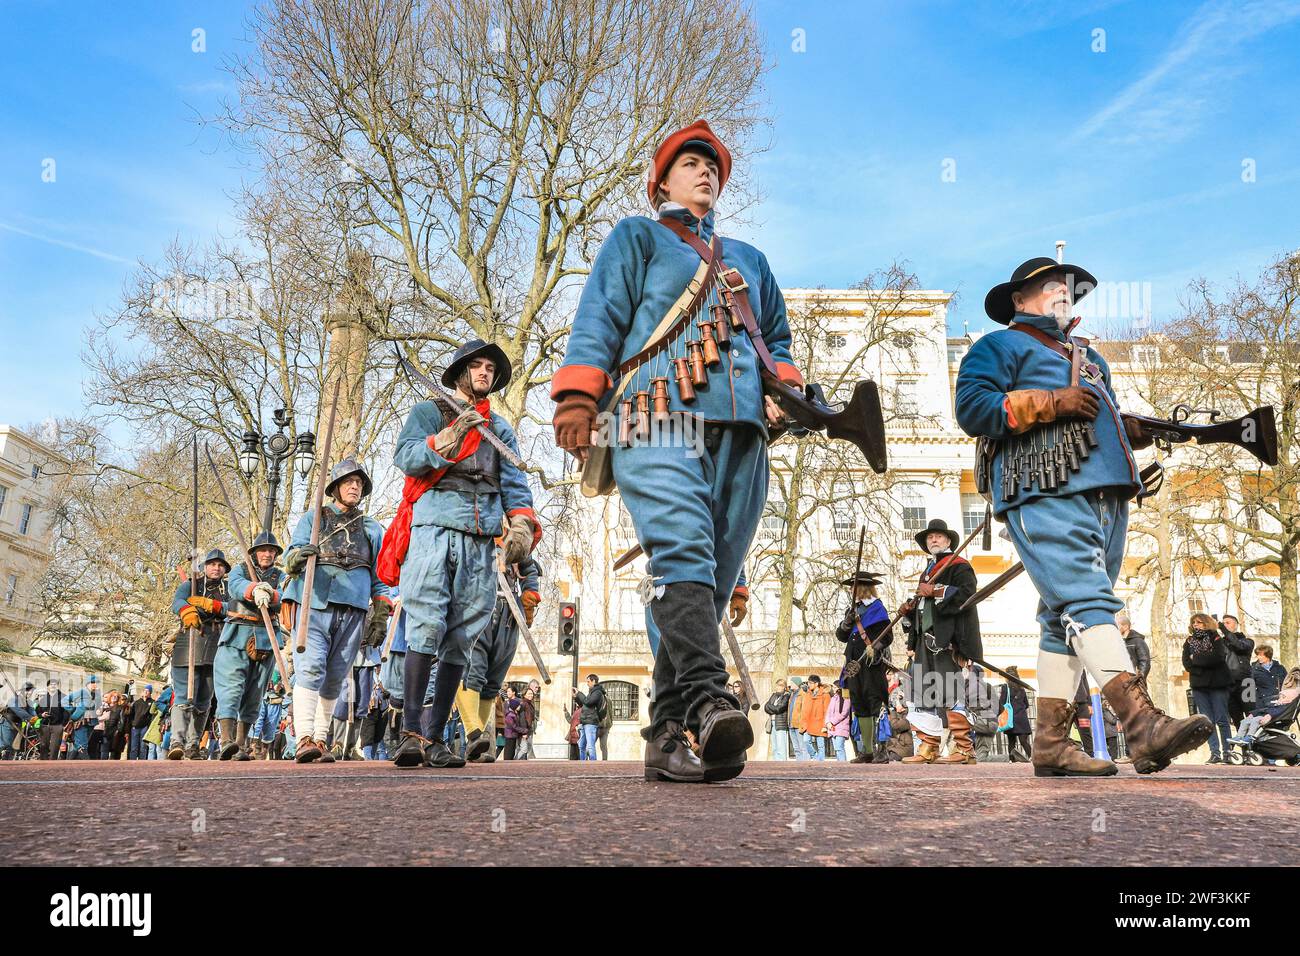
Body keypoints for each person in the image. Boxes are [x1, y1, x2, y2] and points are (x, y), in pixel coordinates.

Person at [551, 120, 804, 784]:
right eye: (690, 163)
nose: (705, 172)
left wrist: (786, 396)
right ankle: (710, 697)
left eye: (712, 166)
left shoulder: (748, 258)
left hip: (743, 434)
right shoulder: (638, 238)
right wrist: (578, 396)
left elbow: (776, 341)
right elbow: (601, 314)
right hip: (655, 417)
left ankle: (665, 732)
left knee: (710, 581)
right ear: (660, 181)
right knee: (683, 548)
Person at [955, 257, 1211, 775]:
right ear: (1020, 302)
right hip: (1040, 483)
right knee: (1086, 600)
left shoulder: (1091, 357)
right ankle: (1141, 724)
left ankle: (1050, 744)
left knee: (1061, 616)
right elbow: (973, 408)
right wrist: (1051, 401)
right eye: (1050, 286)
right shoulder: (998, 346)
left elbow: (1100, 415)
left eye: (1068, 287)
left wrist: (1132, 430)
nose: (1063, 292)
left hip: (1108, 492)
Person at [384, 338, 540, 770]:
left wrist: (523, 523)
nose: (485, 372)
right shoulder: (429, 412)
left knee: (463, 632)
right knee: (427, 622)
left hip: (480, 536)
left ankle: (434, 738)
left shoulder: (500, 429)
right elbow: (406, 457)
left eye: (491, 367)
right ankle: (410, 733)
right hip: (433, 528)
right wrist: (449, 436)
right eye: (478, 366)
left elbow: (514, 483)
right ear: (460, 373)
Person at [283, 459, 395, 764]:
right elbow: (290, 554)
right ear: (335, 487)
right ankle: (304, 736)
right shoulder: (313, 518)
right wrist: (296, 558)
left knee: (335, 677)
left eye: (359, 483)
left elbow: (381, 575)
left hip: (355, 608)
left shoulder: (372, 528)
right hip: (315, 603)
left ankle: (321, 739)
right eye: (349, 481)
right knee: (310, 667)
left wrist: (382, 610)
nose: (355, 486)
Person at [899, 519, 982, 765]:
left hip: (948, 639)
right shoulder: (928, 571)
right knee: (924, 693)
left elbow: (968, 594)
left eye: (938, 536)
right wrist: (909, 611)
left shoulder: (959, 565)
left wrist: (934, 591)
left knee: (950, 690)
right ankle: (929, 746)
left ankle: (965, 749)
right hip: (925, 641)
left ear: (947, 541)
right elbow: (924, 608)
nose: (933, 540)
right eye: (930, 537)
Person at [456, 552, 542, 765]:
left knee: (492, 681)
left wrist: (529, 594)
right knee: (471, 672)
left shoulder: (514, 529)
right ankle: (474, 733)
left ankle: (476, 744)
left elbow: (528, 567)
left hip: (508, 611)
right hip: (474, 605)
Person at [213, 532, 286, 761]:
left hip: (267, 637)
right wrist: (254, 589)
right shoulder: (240, 569)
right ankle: (226, 740)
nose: (267, 554)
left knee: (255, 693)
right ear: (254, 552)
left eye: (271, 551)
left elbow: (287, 595)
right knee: (231, 688)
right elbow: (235, 586)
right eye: (263, 550)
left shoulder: (281, 575)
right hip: (237, 634)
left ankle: (241, 745)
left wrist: (272, 595)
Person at [169, 549, 231, 759]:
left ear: (224, 569)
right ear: (205, 567)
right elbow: (177, 601)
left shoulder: (229, 588)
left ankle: (193, 745)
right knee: (184, 697)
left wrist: (216, 606)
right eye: (212, 564)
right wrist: (186, 610)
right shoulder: (191, 585)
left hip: (218, 643)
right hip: (190, 642)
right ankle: (177, 741)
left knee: (204, 700)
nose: (216, 568)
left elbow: (234, 607)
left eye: (220, 565)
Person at [836, 570, 893, 764]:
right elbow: (841, 636)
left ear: (862, 588)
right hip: (853, 665)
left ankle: (882, 750)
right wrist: (847, 622)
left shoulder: (877, 608)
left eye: (854, 587)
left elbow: (887, 636)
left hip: (871, 664)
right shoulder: (852, 610)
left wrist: (873, 648)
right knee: (859, 705)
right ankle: (867, 750)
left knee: (876, 703)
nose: (851, 590)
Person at [1182, 612, 1233, 763]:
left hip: (1218, 684)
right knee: (1207, 722)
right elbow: (1186, 663)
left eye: (1199, 622)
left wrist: (1196, 658)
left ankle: (1228, 753)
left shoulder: (1215, 637)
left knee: (1222, 719)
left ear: (1206, 623)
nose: (1195, 625)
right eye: (1194, 623)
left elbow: (1218, 657)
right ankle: (1215, 753)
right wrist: (1203, 663)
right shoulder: (1189, 641)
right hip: (1199, 686)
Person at [1227, 648, 1290, 746]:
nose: (1258, 657)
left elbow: (1287, 685)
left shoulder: (1280, 668)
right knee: (1247, 720)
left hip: (1278, 703)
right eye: (1257, 655)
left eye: (1261, 655)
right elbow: (1251, 690)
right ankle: (1240, 738)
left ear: (1268, 656)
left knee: (1257, 722)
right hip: (1262, 703)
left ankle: (1250, 739)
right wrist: (1254, 711)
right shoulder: (1254, 670)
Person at [1218, 614, 1255, 730]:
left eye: (1228, 623)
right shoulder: (1220, 643)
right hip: (1228, 684)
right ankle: (1245, 747)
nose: (1224, 625)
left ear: (1236, 625)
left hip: (1246, 682)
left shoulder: (1248, 641)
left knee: (1251, 715)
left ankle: (1257, 746)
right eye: (1223, 623)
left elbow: (1239, 646)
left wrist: (1222, 628)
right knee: (1237, 718)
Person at [997, 667, 1033, 762]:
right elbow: (1026, 704)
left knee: (1011, 742)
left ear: (1007, 677)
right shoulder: (1022, 688)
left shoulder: (1005, 687)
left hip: (1010, 718)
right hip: (1021, 718)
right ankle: (1032, 757)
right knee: (1024, 741)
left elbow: (1002, 702)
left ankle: (1012, 760)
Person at [573, 674, 605, 761]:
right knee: (581, 745)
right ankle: (582, 764)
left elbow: (588, 702)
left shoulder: (597, 692)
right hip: (584, 721)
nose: (587, 683)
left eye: (588, 681)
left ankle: (593, 765)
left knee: (590, 746)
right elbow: (584, 705)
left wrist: (579, 693)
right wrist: (576, 697)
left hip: (591, 722)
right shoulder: (591, 692)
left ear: (594, 681)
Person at [799, 675, 830, 761]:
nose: (808, 684)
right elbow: (804, 710)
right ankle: (815, 756)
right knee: (806, 741)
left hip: (820, 723)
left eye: (810, 682)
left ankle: (821, 763)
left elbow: (827, 711)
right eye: (808, 682)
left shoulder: (825, 695)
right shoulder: (808, 694)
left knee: (821, 745)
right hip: (808, 723)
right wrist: (803, 722)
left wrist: (825, 725)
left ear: (816, 683)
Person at [1116, 611, 1151, 679]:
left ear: (1126, 627)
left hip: (1132, 681)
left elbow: (1145, 662)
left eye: (1117, 625)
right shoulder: (1118, 642)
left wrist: (1139, 679)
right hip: (1119, 680)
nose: (1116, 628)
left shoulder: (1138, 641)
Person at [764, 678, 792, 761]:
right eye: (777, 686)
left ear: (784, 687)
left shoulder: (786, 696)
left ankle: (782, 764)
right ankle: (775, 764)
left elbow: (779, 709)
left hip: (780, 724)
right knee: (774, 747)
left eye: (780, 686)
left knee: (781, 746)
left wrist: (771, 707)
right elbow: (765, 707)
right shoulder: (774, 695)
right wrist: (773, 708)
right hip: (772, 723)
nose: (778, 688)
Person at [823, 683, 853, 761]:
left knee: (839, 748)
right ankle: (839, 764)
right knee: (836, 749)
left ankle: (843, 766)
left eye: (835, 687)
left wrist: (832, 722)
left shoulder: (846, 698)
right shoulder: (833, 698)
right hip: (832, 728)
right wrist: (827, 722)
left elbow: (844, 713)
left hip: (841, 727)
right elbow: (828, 712)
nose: (834, 688)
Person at [129, 684, 154, 760]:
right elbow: (131, 714)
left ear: (150, 693)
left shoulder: (152, 702)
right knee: (134, 747)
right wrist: (133, 724)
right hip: (135, 727)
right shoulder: (137, 702)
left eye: (148, 691)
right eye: (145, 690)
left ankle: (142, 762)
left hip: (145, 727)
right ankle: (132, 762)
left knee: (143, 747)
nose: (146, 692)